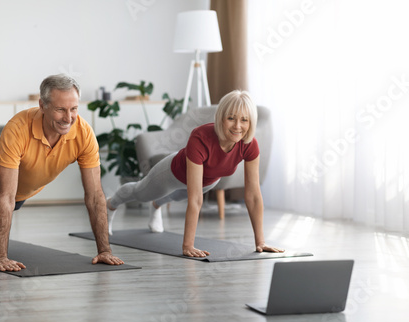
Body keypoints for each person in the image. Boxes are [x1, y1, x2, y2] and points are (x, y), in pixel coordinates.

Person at [0, 74, 124, 271]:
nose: (68, 118)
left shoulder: (84, 134)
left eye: (73, 109)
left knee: (4, 207)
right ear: (42, 105)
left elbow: (95, 196)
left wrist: (104, 250)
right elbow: (5, 195)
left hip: (26, 185)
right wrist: (0, 257)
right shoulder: (18, 128)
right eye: (60, 110)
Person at [106, 90, 284, 258]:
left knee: (174, 197)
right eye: (231, 118)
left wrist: (260, 242)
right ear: (221, 118)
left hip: (209, 180)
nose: (238, 126)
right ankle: (110, 204)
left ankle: (156, 206)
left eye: (244, 120)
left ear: (251, 122)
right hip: (172, 172)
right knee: (141, 193)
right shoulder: (201, 137)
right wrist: (187, 245)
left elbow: (253, 195)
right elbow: (196, 198)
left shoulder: (249, 144)